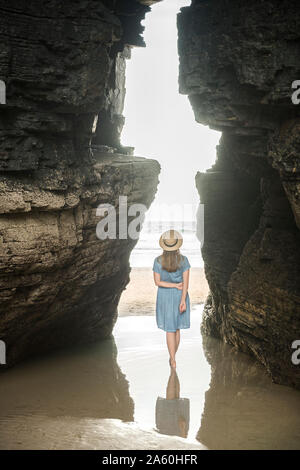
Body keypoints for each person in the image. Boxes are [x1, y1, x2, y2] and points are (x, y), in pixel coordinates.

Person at [152, 229, 191, 369]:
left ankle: (172, 359)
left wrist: (172, 285)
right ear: (177, 245)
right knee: (177, 328)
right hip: (180, 295)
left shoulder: (157, 261)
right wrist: (182, 300)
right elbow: (186, 283)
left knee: (170, 329)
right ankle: (172, 357)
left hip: (164, 296)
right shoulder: (183, 260)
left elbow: (158, 282)